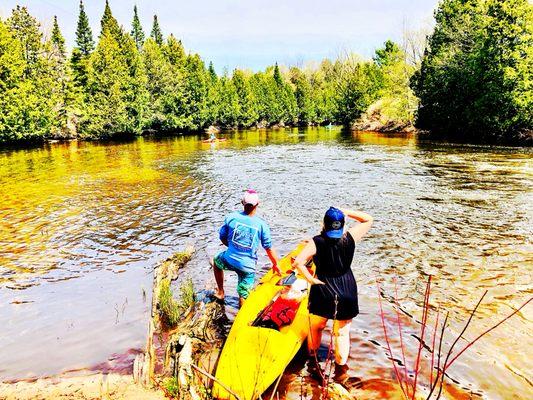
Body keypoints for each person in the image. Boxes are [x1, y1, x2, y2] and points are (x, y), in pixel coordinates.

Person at [292, 207, 373, 384]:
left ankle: (313, 365)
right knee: (342, 333)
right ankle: (341, 373)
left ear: (324, 224)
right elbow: (368, 219)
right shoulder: (350, 237)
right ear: (342, 225)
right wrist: (347, 211)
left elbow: (298, 262)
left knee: (316, 327)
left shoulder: (316, 241)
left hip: (323, 288)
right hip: (347, 289)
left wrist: (310, 280)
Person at [211, 189, 280, 307]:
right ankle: (241, 317)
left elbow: (222, 236)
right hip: (247, 267)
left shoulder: (231, 217)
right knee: (243, 293)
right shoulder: (262, 225)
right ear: (258, 204)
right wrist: (276, 264)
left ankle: (221, 292)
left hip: (229, 259)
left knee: (216, 262)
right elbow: (268, 247)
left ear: (242, 202)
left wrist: (232, 247)